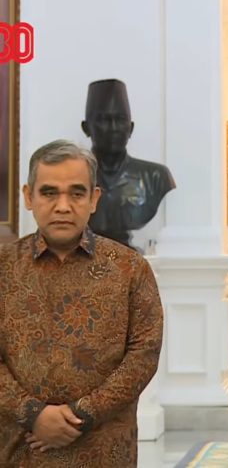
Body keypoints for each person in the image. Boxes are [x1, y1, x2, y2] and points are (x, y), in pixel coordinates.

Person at [0, 140, 164, 467]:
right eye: (49, 193)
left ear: (94, 199)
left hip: (104, 449)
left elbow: (143, 356)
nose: (63, 206)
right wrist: (33, 414)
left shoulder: (129, 269)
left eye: (76, 193)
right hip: (20, 448)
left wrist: (81, 415)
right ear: (28, 197)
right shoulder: (3, 267)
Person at [81, 78, 176, 249]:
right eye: (104, 120)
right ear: (86, 128)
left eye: (120, 119)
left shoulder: (156, 177)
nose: (113, 128)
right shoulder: (72, 178)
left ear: (130, 128)